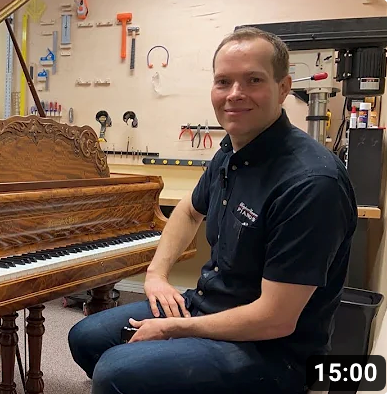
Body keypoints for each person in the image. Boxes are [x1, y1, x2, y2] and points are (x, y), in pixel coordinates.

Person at [67, 27, 357, 394]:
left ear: (283, 88)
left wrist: (173, 329)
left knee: (115, 371)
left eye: (253, 80)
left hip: (274, 351)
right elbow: (188, 212)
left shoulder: (312, 183)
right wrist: (156, 275)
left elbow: (275, 320)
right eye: (224, 81)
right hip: (207, 307)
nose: (235, 94)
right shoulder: (232, 152)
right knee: (86, 338)